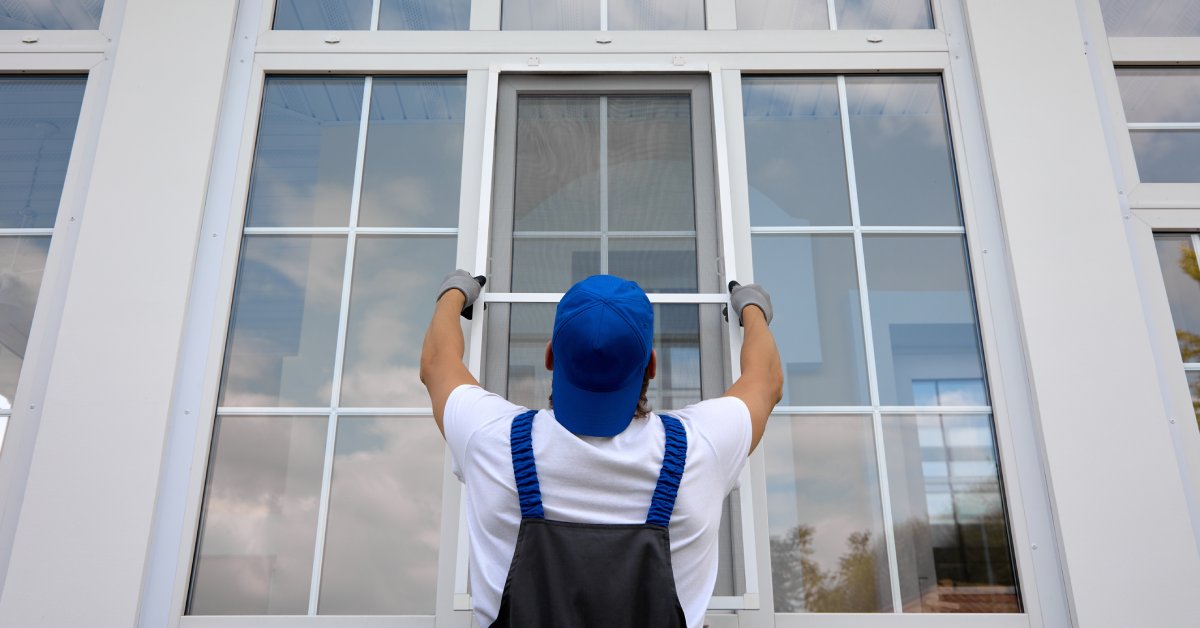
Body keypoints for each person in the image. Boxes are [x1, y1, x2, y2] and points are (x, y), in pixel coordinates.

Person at [420, 271, 782, 628]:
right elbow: (765, 381)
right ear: (651, 366)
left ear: (550, 356)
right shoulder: (699, 449)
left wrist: (454, 294)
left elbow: (437, 364)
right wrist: (751, 308)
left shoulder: (491, 439)